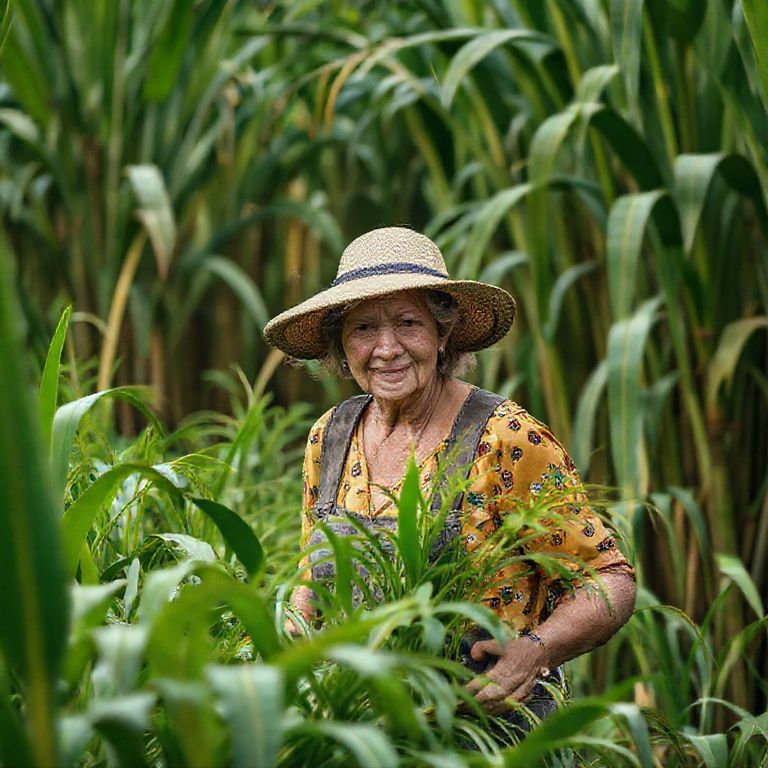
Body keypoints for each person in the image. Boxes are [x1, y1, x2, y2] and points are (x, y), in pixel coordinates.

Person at [264, 226, 636, 729]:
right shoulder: (330, 436)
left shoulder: (505, 437)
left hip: (485, 732)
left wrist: (532, 653)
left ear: (444, 334)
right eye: (363, 329)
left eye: (408, 323)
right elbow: (315, 571)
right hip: (363, 731)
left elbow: (611, 580)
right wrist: (294, 632)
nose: (387, 348)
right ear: (341, 346)